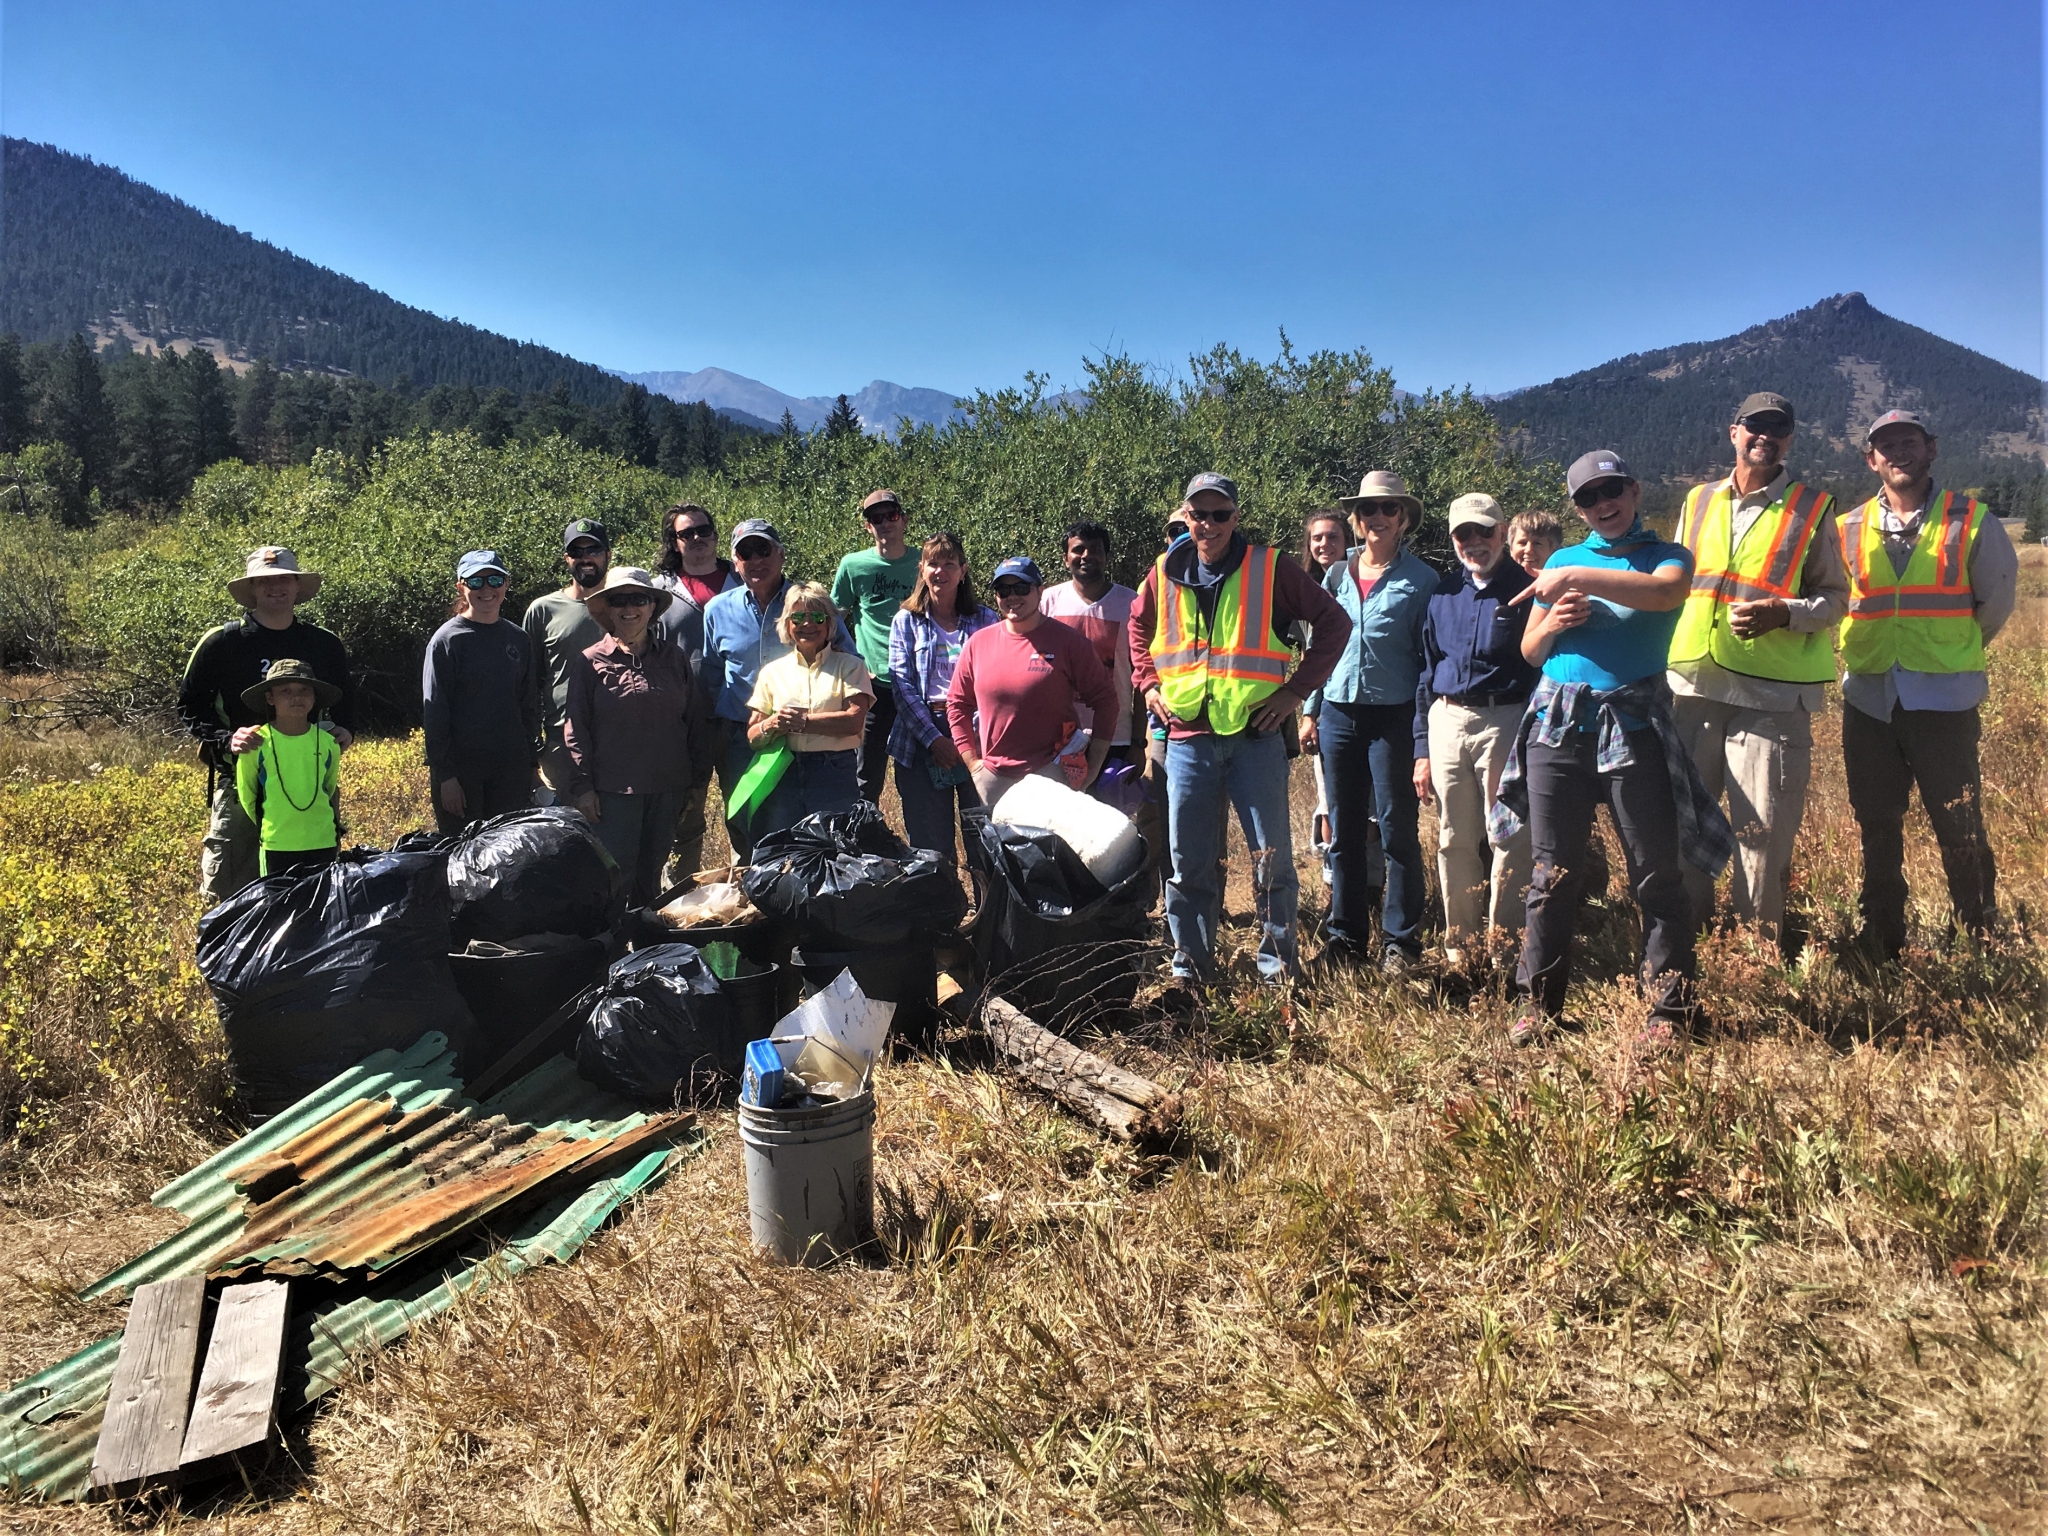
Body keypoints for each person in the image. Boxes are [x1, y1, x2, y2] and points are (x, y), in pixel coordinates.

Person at [1492, 451, 1731, 1050]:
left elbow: (1663, 595)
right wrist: (1555, 621)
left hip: (1635, 726)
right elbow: (1531, 651)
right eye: (1588, 498)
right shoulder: (1565, 560)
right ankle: (1537, 1006)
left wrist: (1570, 580)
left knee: (1654, 871)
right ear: (1578, 508)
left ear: (1635, 489)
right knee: (1551, 872)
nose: (1603, 504)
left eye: (1612, 490)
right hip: (1559, 727)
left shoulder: (1664, 557)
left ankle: (1669, 1011)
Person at [1130, 473, 1350, 984]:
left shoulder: (1270, 568)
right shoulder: (1162, 572)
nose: (1208, 524)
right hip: (1186, 740)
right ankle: (1191, 972)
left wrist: (1296, 691)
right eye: (1199, 514)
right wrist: (1147, 685)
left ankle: (1277, 972)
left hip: (1255, 739)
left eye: (1220, 514)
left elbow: (1335, 624)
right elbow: (1137, 628)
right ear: (1185, 517)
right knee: (1188, 867)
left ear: (1236, 517)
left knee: (1270, 864)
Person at [1666, 392, 1847, 944]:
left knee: (1761, 832)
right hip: (1693, 686)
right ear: (1733, 432)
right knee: (1685, 823)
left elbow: (1836, 599)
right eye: (1755, 426)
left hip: (1771, 698)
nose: (1765, 436)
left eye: (1778, 428)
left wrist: (1783, 613)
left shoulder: (1813, 508)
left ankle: (1752, 954)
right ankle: (1685, 942)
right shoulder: (1697, 501)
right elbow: (1675, 585)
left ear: (1790, 438)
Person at [1838, 410, 2017, 960]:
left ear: (1931, 449)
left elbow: (1996, 604)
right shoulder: (1845, 527)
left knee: (1958, 819)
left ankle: (1979, 933)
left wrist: (1946, 652)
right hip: (1869, 697)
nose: (1897, 453)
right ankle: (1882, 935)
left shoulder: (1972, 520)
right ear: (1871, 460)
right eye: (1884, 446)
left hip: (1944, 698)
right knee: (1876, 823)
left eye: (1908, 442)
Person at [1307, 471, 1436, 975]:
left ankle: (1400, 942)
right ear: (1356, 521)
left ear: (1403, 517)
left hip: (1393, 716)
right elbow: (1324, 645)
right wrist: (1310, 709)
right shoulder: (1335, 576)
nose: (1377, 518)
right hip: (1339, 711)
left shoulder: (1422, 581)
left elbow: (1427, 661)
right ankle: (1345, 939)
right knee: (1343, 832)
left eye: (1388, 508)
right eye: (1368, 510)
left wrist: (1423, 731)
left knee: (1397, 830)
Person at [178, 545, 356, 903]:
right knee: (229, 888)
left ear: (296, 586)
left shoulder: (323, 643)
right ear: (253, 589)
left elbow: (348, 698)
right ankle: (230, 954)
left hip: (308, 784)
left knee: (314, 886)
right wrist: (227, 739)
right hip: (241, 781)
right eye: (265, 581)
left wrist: (347, 730)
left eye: (284, 579)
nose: (276, 587)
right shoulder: (222, 642)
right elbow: (189, 706)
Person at [1413, 494, 1538, 968]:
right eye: (1464, 534)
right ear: (1452, 539)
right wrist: (1422, 748)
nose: (1474, 542)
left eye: (1483, 531)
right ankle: (1460, 949)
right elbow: (1426, 672)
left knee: (1508, 835)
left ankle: (1504, 950)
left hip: (1505, 718)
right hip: (1446, 719)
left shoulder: (1527, 589)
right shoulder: (1442, 594)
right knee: (1454, 837)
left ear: (1502, 532)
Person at [703, 520, 857, 858]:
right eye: (746, 552)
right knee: (746, 824)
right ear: (734, 559)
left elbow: (845, 655)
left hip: (803, 738)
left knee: (803, 828)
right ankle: (758, 897)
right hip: (742, 738)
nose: (756, 560)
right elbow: (712, 673)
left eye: (764, 550)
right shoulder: (716, 610)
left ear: (781, 555)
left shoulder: (808, 605)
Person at [563, 567, 711, 908]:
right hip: (614, 794)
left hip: (668, 788)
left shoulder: (674, 658)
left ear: (652, 607)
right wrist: (583, 788)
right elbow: (576, 728)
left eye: (639, 599)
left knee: (653, 881)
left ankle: (650, 955)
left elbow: (694, 723)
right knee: (614, 880)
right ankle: (613, 956)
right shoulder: (589, 662)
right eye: (619, 601)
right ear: (608, 609)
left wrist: (697, 782)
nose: (630, 608)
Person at [948, 556, 1117, 808]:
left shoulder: (1069, 642)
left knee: (1053, 849)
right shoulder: (978, 644)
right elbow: (957, 703)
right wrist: (973, 763)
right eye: (1003, 590)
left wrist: (1092, 768)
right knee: (1000, 848)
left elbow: (1106, 701)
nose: (1012, 596)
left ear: (1039, 591)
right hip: (994, 778)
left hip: (1053, 774)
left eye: (1021, 588)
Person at [888, 533, 998, 862]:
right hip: (920, 738)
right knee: (929, 846)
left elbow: (994, 683)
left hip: (977, 736)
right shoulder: (905, 621)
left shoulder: (987, 621)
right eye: (933, 563)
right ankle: (941, 912)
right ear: (921, 569)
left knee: (984, 836)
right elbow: (901, 686)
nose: (940, 571)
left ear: (963, 571)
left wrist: (968, 738)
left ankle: (987, 910)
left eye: (949, 563)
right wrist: (935, 740)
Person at [422, 550, 541, 834]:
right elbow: (435, 712)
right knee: (462, 856)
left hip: (510, 770)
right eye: (476, 582)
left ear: (507, 584)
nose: (486, 589)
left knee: (508, 857)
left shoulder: (518, 639)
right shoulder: (447, 641)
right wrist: (446, 777)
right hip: (462, 774)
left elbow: (528, 706)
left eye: (494, 580)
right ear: (461, 586)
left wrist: (531, 767)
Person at [746, 581, 876, 836]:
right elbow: (752, 737)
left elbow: (853, 722)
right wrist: (771, 724)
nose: (808, 624)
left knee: (836, 850)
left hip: (834, 772)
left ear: (830, 624)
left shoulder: (850, 666)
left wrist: (799, 722)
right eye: (798, 617)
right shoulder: (772, 672)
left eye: (817, 616)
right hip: (784, 772)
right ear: (787, 624)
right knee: (786, 851)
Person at [653, 502, 740, 874]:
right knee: (685, 820)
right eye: (686, 533)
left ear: (716, 535)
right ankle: (680, 904)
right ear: (673, 542)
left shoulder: (745, 580)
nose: (697, 539)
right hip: (683, 722)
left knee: (746, 812)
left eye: (703, 530)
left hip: (742, 716)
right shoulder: (659, 592)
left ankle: (751, 898)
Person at [832, 489, 923, 808]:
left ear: (904, 520)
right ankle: (860, 849)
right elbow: (833, 619)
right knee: (865, 778)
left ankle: (919, 853)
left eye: (891, 515)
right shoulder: (853, 565)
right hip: (872, 687)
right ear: (867, 526)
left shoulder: (924, 563)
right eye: (876, 518)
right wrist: (849, 663)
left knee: (916, 778)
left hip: (918, 686)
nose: (885, 523)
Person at [1295, 508, 1365, 897]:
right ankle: (1333, 888)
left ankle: (1367, 888)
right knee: (1330, 802)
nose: (1324, 544)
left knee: (1366, 809)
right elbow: (1312, 656)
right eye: (1317, 538)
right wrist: (1309, 712)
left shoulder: (1357, 584)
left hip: (1365, 706)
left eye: (1332, 537)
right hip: (1326, 706)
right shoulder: (1305, 590)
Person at [523, 519, 613, 803]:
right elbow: (527, 684)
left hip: (618, 737)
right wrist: (532, 747)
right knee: (563, 831)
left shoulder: (628, 604)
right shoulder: (543, 610)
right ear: (567, 559)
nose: (585, 558)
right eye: (577, 552)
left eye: (593, 550)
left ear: (608, 554)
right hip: (560, 742)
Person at [235, 659, 343, 880]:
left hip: (322, 841)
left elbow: (329, 788)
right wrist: (272, 827)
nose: (297, 697)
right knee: (280, 908)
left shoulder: (328, 742)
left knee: (322, 908)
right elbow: (248, 795)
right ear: (270, 698)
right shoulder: (257, 743)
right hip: (277, 843)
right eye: (285, 691)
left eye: (305, 690)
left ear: (314, 697)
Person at [1508, 510, 1564, 578]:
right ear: (1511, 548)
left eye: (1537, 543)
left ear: (1555, 549)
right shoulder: (1497, 585)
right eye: (1522, 543)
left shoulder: (1567, 586)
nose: (1528, 550)